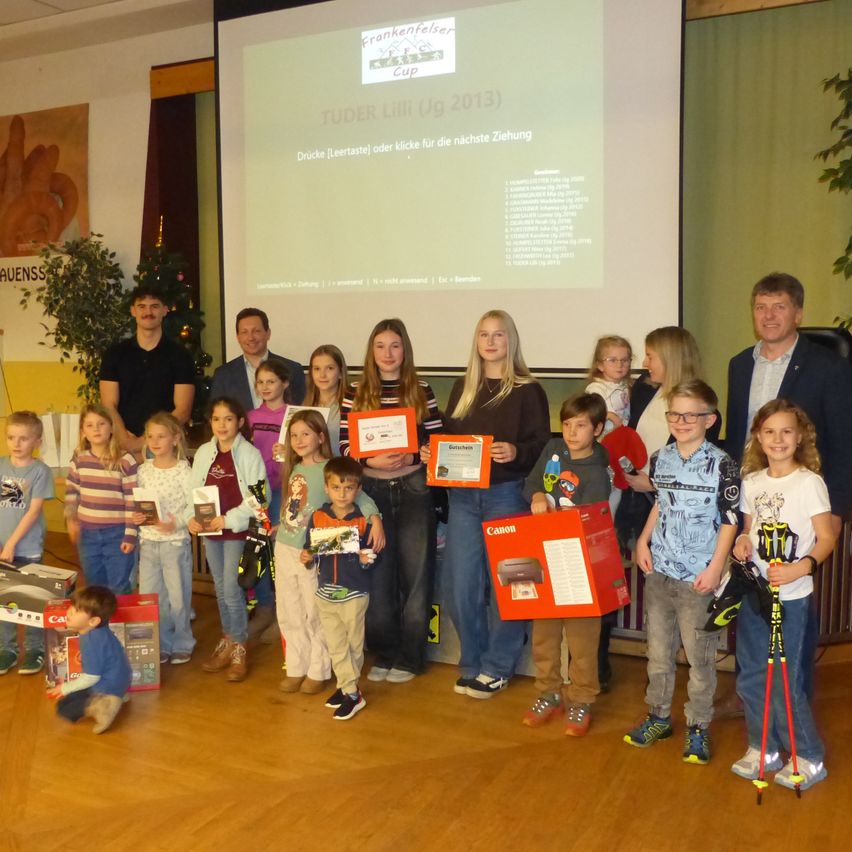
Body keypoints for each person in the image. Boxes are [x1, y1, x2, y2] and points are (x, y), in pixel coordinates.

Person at [433, 310, 550, 698]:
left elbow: (540, 446)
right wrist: (432, 453)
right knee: (460, 587)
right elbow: (450, 439)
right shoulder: (463, 386)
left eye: (498, 334)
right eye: (484, 334)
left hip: (507, 495)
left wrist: (515, 450)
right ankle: (471, 661)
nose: (490, 341)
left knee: (509, 586)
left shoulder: (528, 390)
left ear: (510, 340)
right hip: (463, 498)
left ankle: (499, 665)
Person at [624, 379, 739, 764]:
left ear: (709, 418)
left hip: (698, 579)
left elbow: (730, 520)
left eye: (691, 415)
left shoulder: (723, 464)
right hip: (660, 573)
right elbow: (661, 502)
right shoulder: (662, 458)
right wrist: (643, 540)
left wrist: (716, 565)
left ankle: (698, 726)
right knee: (657, 652)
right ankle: (658, 715)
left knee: (700, 658)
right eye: (675, 414)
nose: (682, 421)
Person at [730, 400, 837, 790]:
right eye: (769, 431)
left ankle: (808, 754)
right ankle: (763, 747)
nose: (778, 439)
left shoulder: (809, 483)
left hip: (791, 597)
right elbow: (749, 527)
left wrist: (801, 566)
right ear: (759, 436)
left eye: (787, 431)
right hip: (756, 593)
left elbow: (826, 538)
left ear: (800, 437)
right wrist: (742, 541)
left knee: (786, 680)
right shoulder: (753, 481)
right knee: (753, 674)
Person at [340, 318, 442, 683]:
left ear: (405, 350)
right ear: (372, 351)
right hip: (371, 495)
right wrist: (369, 461)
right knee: (377, 579)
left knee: (416, 579)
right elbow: (343, 445)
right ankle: (385, 651)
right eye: (380, 346)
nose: (387, 353)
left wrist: (415, 457)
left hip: (414, 490)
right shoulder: (355, 391)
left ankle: (412, 658)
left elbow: (435, 443)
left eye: (395, 345)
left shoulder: (422, 389)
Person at [726, 272, 852, 530]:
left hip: (804, 503)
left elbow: (844, 443)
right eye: (761, 307)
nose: (768, 316)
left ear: (798, 314)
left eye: (779, 307)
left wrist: (836, 509)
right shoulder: (739, 365)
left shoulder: (830, 367)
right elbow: (736, 437)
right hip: (749, 499)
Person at [521, 393, 611, 735]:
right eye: (568, 424)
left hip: (580, 564)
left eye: (581, 425)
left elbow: (594, 520)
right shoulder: (552, 451)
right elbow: (531, 483)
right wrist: (539, 496)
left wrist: (568, 517)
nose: (572, 432)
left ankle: (582, 699)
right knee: (543, 633)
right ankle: (548, 693)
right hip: (545, 557)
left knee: (582, 639)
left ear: (597, 429)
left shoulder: (598, 472)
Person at [275, 410, 383, 694]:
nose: (299, 440)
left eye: (306, 434)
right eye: (294, 435)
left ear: (321, 436)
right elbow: (295, 504)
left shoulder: (331, 469)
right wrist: (281, 524)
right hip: (285, 546)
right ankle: (296, 665)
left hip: (312, 551)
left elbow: (362, 496)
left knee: (314, 612)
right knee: (289, 610)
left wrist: (375, 519)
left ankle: (318, 668)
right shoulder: (295, 467)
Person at [186, 397, 268, 683]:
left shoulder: (250, 454)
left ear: (240, 422)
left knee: (233, 589)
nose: (222, 424)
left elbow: (259, 498)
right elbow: (192, 490)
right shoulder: (205, 452)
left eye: (228, 419)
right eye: (216, 419)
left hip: (236, 530)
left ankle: (239, 647)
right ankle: (228, 639)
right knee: (221, 588)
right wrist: (190, 517)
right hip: (211, 532)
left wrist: (229, 518)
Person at [301, 457, 376, 721]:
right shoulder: (318, 516)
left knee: (353, 644)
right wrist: (307, 557)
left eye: (348, 488)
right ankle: (350, 690)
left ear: (358, 490)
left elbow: (371, 554)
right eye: (336, 488)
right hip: (325, 593)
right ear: (326, 488)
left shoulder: (363, 521)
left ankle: (349, 691)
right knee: (335, 643)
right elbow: (310, 549)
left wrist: (366, 560)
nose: (342, 494)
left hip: (354, 592)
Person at [100, 284, 195, 456]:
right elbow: (108, 405)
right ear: (133, 311)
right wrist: (125, 442)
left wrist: (144, 442)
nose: (148, 312)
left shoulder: (181, 356)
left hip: (164, 448)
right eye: (141, 306)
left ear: (165, 310)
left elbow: (183, 411)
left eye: (154, 306)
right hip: (121, 446)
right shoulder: (114, 354)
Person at [132, 412, 195, 665]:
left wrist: (175, 523)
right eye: (150, 436)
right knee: (150, 596)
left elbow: (191, 506)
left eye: (161, 436)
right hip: (147, 543)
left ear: (176, 438)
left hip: (175, 543)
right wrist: (138, 517)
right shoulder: (143, 470)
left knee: (178, 597)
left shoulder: (183, 470)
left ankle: (182, 642)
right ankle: (160, 643)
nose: (155, 441)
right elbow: (140, 503)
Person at [0, 411, 54, 676]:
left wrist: (11, 543)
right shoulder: (1, 466)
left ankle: (35, 649)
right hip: (2, 548)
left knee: (31, 600)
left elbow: (32, 512)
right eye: (11, 437)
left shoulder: (39, 471)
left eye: (23, 438)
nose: (16, 443)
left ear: (37, 441)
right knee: (5, 598)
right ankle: (7, 649)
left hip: (27, 548)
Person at [65, 404, 137, 594]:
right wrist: (71, 520)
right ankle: (101, 624)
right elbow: (72, 493)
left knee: (118, 587)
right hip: (88, 535)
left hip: (117, 533)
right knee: (94, 587)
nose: (96, 429)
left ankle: (119, 624)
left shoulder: (125, 460)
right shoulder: (79, 460)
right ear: (83, 431)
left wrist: (130, 534)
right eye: (89, 425)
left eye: (101, 423)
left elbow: (132, 501)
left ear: (111, 428)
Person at [246, 359, 291, 639]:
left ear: (285, 384)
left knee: (282, 551)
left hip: (283, 491)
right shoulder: (249, 417)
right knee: (258, 548)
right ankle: (264, 605)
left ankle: (284, 611)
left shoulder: (294, 415)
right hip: (256, 494)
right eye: (260, 382)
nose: (265, 387)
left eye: (271, 381)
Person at [48, 586, 132, 735]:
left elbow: (91, 678)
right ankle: (116, 696)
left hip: (107, 684)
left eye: (77, 610)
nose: (70, 611)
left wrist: (64, 688)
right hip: (121, 679)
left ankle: (104, 705)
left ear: (93, 621)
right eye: (72, 606)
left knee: (64, 709)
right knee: (69, 700)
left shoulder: (92, 642)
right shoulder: (98, 631)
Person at [210, 308, 305, 413]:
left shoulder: (292, 369)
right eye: (244, 332)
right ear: (238, 337)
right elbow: (216, 414)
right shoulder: (223, 375)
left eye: (256, 331)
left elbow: (300, 411)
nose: (250, 338)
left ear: (268, 333)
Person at [303, 344, 348, 454]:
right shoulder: (304, 407)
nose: (322, 375)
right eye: (317, 369)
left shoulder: (352, 405)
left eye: (330, 368)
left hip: (342, 469)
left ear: (340, 373)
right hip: (313, 469)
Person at [585, 335, 633, 437]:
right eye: (612, 360)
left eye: (624, 360)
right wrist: (610, 416)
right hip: (602, 439)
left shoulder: (626, 386)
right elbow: (589, 413)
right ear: (600, 365)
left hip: (621, 436)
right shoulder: (596, 388)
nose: (619, 365)